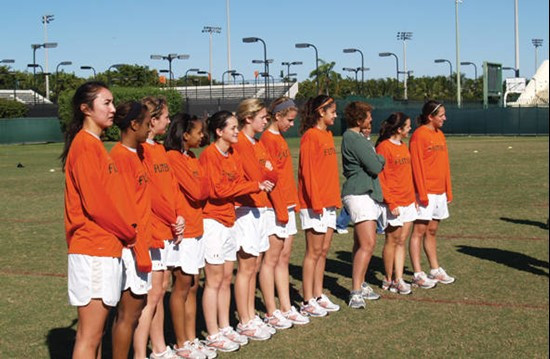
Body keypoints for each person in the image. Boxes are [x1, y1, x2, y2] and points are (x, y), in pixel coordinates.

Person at [61, 82, 138, 358]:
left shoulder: (93, 146)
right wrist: (129, 233)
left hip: (104, 247)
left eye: (112, 102)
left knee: (96, 335)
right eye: (106, 103)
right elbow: (97, 206)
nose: (113, 109)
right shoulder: (85, 146)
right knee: (89, 336)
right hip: (93, 248)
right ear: (85, 109)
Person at [199, 110, 274, 352]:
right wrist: (254, 185)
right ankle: (212, 332)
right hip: (213, 221)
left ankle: (224, 326)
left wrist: (259, 179)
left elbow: (239, 180)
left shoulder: (231, 153)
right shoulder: (210, 155)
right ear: (219, 131)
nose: (236, 131)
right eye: (231, 127)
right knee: (213, 280)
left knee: (226, 278)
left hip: (229, 219)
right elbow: (219, 190)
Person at [232, 99, 287, 339]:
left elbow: (272, 174)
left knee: (254, 265)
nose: (266, 120)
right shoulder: (242, 143)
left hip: (259, 207)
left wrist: (264, 172)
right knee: (246, 267)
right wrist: (263, 173)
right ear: (248, 118)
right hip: (244, 209)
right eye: (263, 116)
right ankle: (245, 319)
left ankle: (251, 315)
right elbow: (256, 176)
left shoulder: (256, 143)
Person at [135, 97, 186, 359]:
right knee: (152, 295)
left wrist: (179, 216)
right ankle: (141, 353)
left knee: (161, 289)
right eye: (164, 116)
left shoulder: (160, 151)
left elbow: (171, 188)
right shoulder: (141, 150)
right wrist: (170, 218)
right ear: (152, 120)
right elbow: (151, 195)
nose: (168, 120)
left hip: (169, 228)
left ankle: (159, 347)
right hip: (154, 230)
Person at [165, 113, 216, 359]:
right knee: (182, 286)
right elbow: (199, 190)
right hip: (184, 232)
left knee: (193, 286)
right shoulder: (173, 158)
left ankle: (191, 337)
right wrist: (205, 180)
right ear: (185, 135)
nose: (202, 135)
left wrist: (204, 181)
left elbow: (204, 186)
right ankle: (181, 343)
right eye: (198, 132)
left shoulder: (192, 156)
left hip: (197, 227)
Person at [259, 97, 310, 326]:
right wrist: (280, 207)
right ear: (277, 116)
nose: (291, 124)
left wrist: (292, 204)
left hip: (287, 204)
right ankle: (271, 310)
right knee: (271, 259)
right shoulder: (267, 140)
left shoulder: (278, 138)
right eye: (289, 120)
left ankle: (286, 307)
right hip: (274, 207)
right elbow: (269, 179)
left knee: (284, 257)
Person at [110, 101, 154, 359]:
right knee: (128, 314)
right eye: (147, 123)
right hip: (130, 247)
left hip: (141, 244)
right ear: (134, 125)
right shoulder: (118, 157)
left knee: (135, 311)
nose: (150, 128)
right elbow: (122, 209)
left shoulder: (135, 154)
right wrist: (137, 245)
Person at [298, 95, 342, 316]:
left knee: (323, 251)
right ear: (320, 112)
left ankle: (317, 294)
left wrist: (334, 199)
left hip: (328, 203)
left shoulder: (328, 135)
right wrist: (316, 203)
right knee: (313, 252)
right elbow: (307, 173)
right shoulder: (310, 137)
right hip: (314, 204)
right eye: (332, 111)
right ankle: (307, 300)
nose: (335, 115)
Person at [341, 101, 385, 309]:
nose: (371, 120)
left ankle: (361, 284)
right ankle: (355, 291)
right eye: (367, 117)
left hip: (364, 193)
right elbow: (375, 165)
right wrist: (381, 158)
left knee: (361, 243)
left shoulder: (358, 137)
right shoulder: (353, 137)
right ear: (359, 120)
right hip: (359, 193)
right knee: (368, 244)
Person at [409, 100, 455, 287]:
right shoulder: (419, 135)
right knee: (419, 231)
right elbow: (416, 166)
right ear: (430, 117)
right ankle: (418, 273)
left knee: (433, 230)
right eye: (441, 115)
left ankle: (435, 269)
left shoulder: (440, 135)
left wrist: (448, 190)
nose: (445, 118)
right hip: (425, 192)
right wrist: (421, 192)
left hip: (440, 192)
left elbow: (444, 164)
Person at [375, 112, 416, 295]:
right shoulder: (384, 147)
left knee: (401, 241)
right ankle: (388, 278)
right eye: (407, 126)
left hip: (408, 201)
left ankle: (399, 279)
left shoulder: (403, 146)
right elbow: (381, 178)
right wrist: (391, 202)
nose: (410, 129)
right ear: (399, 129)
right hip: (394, 203)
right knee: (391, 240)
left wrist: (412, 199)